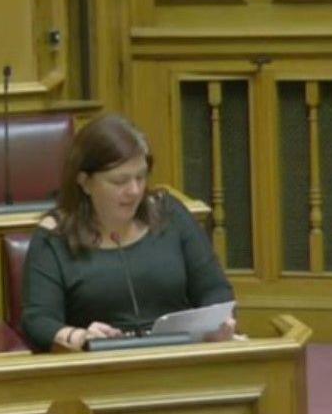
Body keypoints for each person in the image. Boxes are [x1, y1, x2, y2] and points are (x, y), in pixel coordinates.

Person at [21, 114, 235, 351]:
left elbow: (215, 289)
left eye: (140, 177)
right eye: (119, 181)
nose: (134, 190)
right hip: (98, 368)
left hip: (179, 358)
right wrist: (79, 337)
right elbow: (38, 321)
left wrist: (219, 323)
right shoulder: (54, 237)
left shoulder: (169, 214)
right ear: (85, 182)